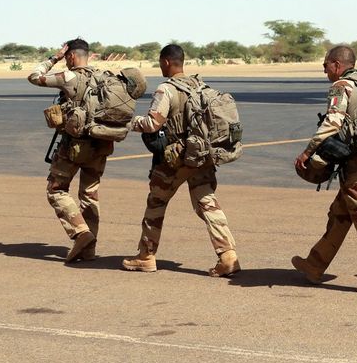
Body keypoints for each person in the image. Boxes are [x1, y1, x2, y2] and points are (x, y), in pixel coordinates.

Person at [122, 44, 240, 277]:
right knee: (207, 203)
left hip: (176, 160)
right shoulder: (199, 85)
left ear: (166, 62)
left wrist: (130, 122)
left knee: (156, 203)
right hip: (201, 156)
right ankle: (228, 256)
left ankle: (146, 255)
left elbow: (153, 124)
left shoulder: (166, 90)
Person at [291, 45, 357, 294]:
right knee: (340, 214)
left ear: (337, 65)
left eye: (326, 64)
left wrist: (308, 151)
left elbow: (333, 121)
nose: (324, 69)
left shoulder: (342, 86)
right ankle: (314, 265)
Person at [29, 39, 109, 264]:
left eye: (67, 57)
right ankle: (89, 250)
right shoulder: (104, 78)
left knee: (56, 190)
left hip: (74, 146)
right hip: (100, 144)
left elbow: (34, 77)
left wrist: (54, 58)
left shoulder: (69, 77)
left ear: (71, 56)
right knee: (90, 195)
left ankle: (80, 232)